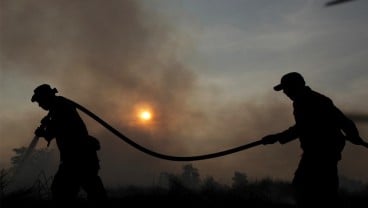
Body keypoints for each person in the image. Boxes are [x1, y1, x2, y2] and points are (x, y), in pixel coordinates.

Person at [261, 72, 368, 208]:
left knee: (303, 187)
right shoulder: (316, 99)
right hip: (326, 150)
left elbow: (304, 127)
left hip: (320, 151)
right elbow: (343, 120)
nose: (285, 93)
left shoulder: (306, 101)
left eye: (286, 89)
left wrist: (277, 137)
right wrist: (353, 134)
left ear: (295, 86)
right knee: (324, 189)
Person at [31, 84, 107, 207]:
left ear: (47, 98)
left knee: (61, 190)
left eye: (40, 101)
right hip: (77, 155)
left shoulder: (61, 107)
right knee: (88, 188)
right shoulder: (58, 107)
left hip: (78, 155)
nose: (39, 105)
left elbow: (61, 129)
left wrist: (44, 132)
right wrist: (48, 123)